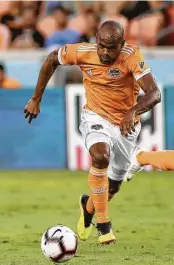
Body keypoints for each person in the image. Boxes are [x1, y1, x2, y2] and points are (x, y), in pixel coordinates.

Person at [24, 20, 174, 245]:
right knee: (100, 155)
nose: (105, 52)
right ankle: (104, 224)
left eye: (111, 47)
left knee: (113, 185)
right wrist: (36, 98)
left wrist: (133, 111)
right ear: (96, 41)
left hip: (125, 124)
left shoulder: (132, 55)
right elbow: (51, 59)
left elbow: (154, 93)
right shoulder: (82, 51)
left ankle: (88, 207)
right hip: (94, 116)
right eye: (101, 46)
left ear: (121, 44)